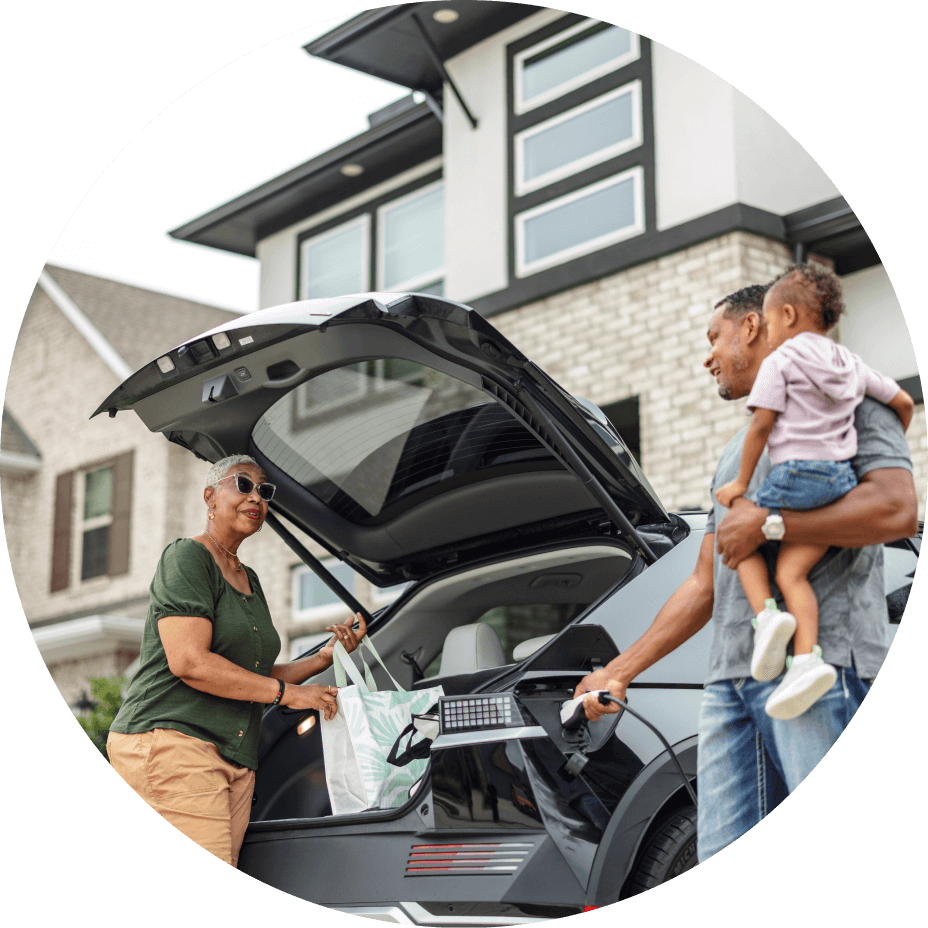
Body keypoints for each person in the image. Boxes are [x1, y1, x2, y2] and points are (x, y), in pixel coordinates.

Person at [574, 278, 917, 862]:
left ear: (754, 326)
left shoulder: (845, 395)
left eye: (715, 337)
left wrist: (772, 525)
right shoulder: (738, 450)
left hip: (820, 670)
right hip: (731, 685)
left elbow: (896, 507)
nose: (706, 356)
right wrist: (620, 670)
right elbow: (706, 582)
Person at [107, 454, 368, 867]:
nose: (256, 498)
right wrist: (288, 695)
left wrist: (323, 658)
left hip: (233, 758)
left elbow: (252, 676)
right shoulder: (187, 558)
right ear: (210, 497)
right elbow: (190, 662)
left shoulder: (251, 579)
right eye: (243, 485)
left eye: (264, 492)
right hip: (175, 741)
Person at [714, 267, 913, 719]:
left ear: (786, 315)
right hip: (837, 485)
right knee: (793, 572)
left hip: (796, 476)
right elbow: (901, 402)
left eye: (767, 321)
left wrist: (741, 484)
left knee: (739, 533)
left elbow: (762, 424)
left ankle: (767, 617)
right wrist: (885, 436)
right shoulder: (851, 362)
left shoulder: (782, 360)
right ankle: (806, 660)